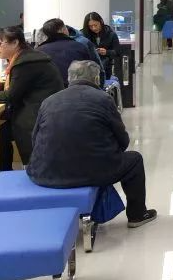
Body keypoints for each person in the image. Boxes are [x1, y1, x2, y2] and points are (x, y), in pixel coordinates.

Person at [27, 61, 157, 227]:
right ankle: (137, 215)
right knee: (134, 160)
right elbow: (123, 141)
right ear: (96, 79)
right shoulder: (103, 99)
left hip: (44, 173)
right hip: (90, 172)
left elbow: (34, 138)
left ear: (69, 78)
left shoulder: (49, 101)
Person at [0, 26, 63, 168]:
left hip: (35, 116)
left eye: (1, 43)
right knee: (2, 133)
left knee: (3, 132)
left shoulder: (25, 64)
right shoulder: (29, 57)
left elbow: (11, 96)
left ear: (15, 43)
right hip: (47, 111)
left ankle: (7, 173)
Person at [37, 18, 93, 87]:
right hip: (77, 89)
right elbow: (92, 69)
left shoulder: (38, 52)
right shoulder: (79, 46)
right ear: (63, 30)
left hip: (50, 91)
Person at [81, 12, 121, 79]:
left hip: (105, 69)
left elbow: (118, 52)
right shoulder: (83, 34)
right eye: (90, 26)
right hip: (87, 69)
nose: (94, 28)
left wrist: (106, 52)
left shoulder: (111, 34)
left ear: (101, 22)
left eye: (96, 25)